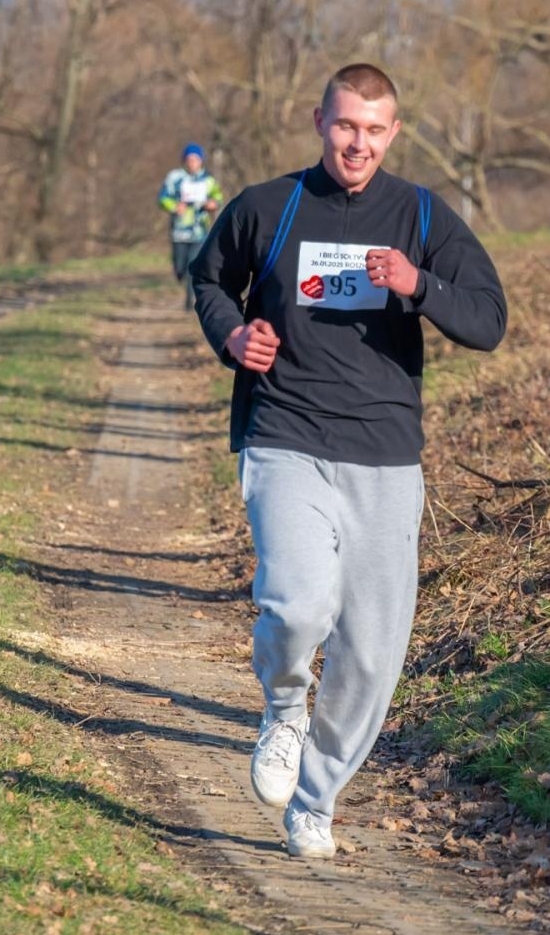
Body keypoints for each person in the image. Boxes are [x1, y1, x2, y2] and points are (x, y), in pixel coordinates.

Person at [189, 63, 507, 859]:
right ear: (319, 122)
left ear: (393, 132)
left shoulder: (423, 215)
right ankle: (286, 706)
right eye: (344, 126)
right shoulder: (267, 206)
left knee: (372, 650)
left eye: (373, 129)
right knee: (297, 605)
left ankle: (316, 800)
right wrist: (232, 335)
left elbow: (489, 319)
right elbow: (210, 280)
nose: (357, 142)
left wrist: (418, 283)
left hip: (386, 456)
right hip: (286, 433)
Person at [158, 143, 225, 309]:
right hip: (178, 231)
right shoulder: (174, 177)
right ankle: (181, 277)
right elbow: (162, 198)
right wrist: (174, 207)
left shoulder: (208, 180)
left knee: (192, 266)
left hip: (199, 231)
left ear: (201, 161)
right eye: (189, 159)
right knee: (180, 268)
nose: (192, 163)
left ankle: (190, 301)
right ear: (184, 160)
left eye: (196, 159)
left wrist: (213, 204)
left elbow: (218, 197)